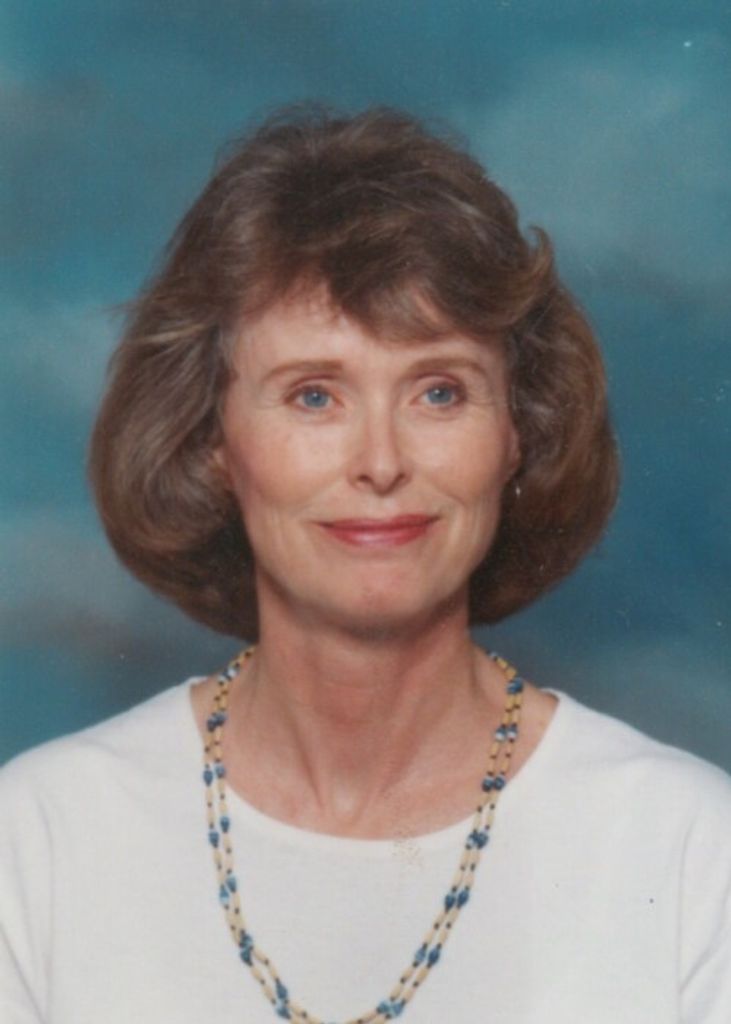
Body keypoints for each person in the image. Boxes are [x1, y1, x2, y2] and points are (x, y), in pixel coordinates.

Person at [1, 106, 729, 1024]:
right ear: (211, 440)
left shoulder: (689, 851)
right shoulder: (38, 840)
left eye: (439, 391)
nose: (380, 462)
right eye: (314, 395)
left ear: (518, 432)